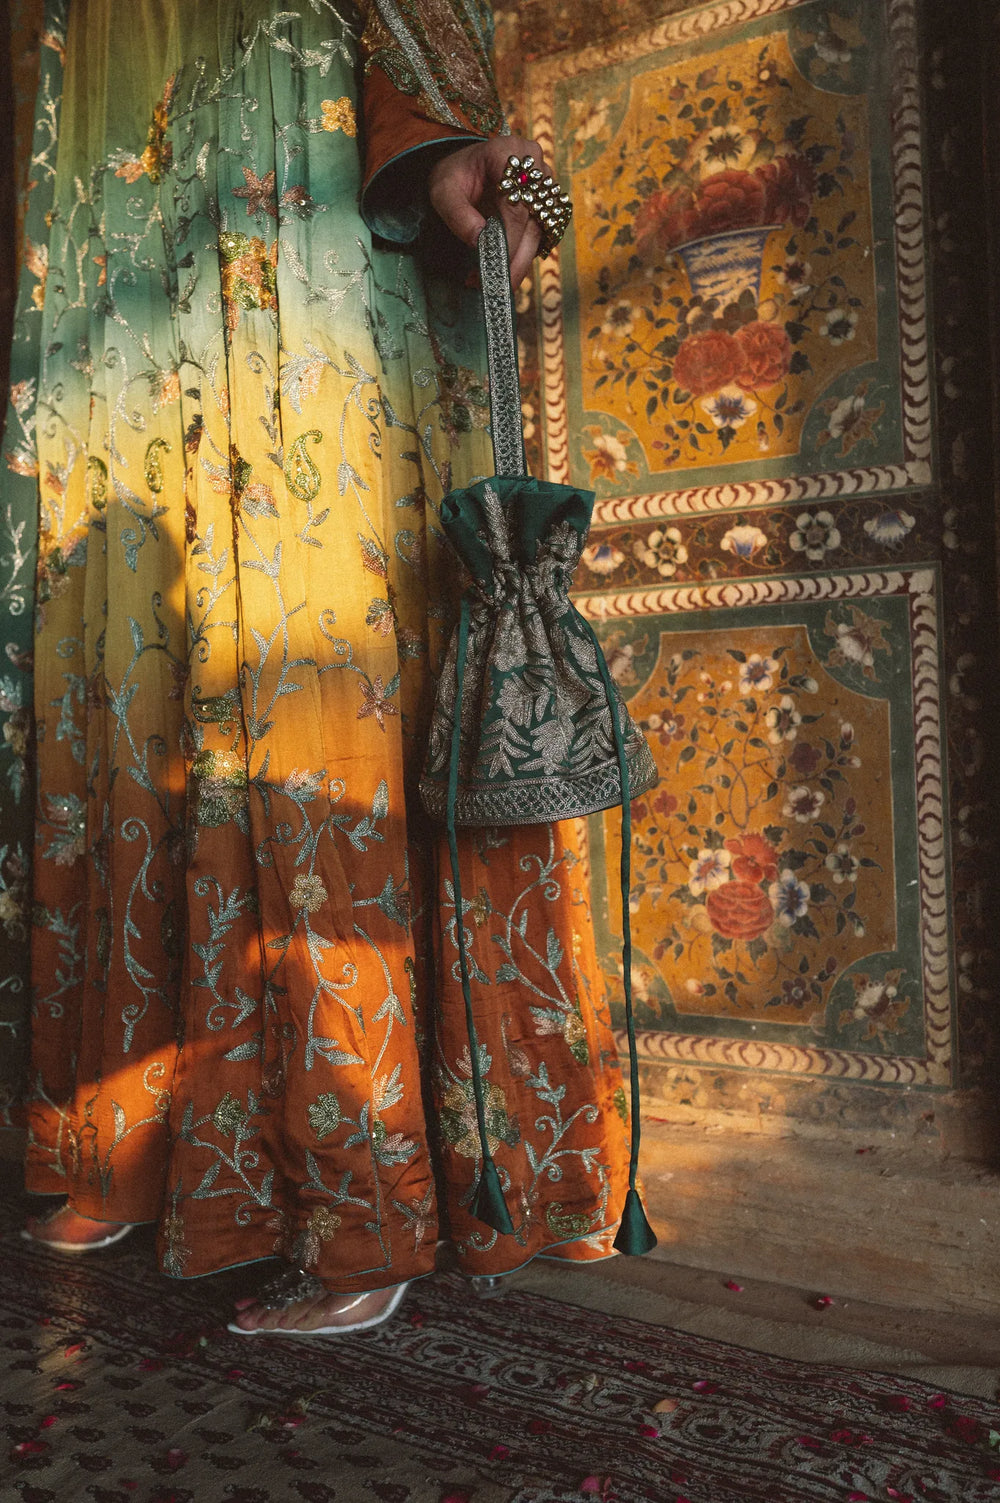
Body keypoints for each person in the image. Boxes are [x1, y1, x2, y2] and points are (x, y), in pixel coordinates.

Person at [1, 0, 635, 1335]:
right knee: (133, 680)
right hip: (126, 333)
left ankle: (366, 1198)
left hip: (295, 269)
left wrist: (467, 155)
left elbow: (410, 40)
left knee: (298, 683)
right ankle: (146, 1144)